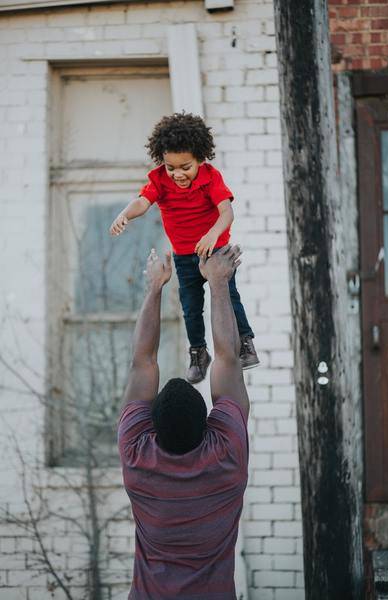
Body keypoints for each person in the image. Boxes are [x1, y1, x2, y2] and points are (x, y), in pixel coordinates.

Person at [118, 245, 250, 600]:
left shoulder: (137, 456)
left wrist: (156, 287)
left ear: (153, 431)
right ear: (208, 425)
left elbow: (141, 362)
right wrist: (219, 284)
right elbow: (228, 359)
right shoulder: (227, 456)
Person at [110, 111, 259, 383]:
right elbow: (142, 202)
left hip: (215, 251)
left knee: (229, 296)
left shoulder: (211, 178)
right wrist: (125, 214)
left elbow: (226, 213)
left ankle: (245, 342)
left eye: (185, 167)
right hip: (184, 255)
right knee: (190, 306)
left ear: (200, 159)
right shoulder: (159, 180)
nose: (177, 174)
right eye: (171, 167)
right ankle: (198, 353)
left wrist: (213, 235)